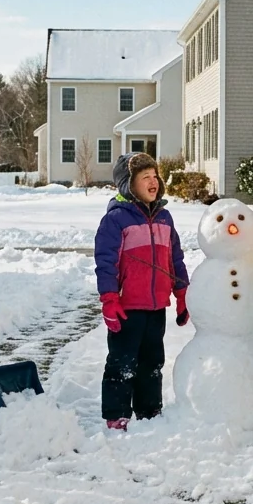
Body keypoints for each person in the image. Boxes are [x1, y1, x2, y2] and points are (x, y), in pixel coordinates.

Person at [94, 152, 190, 431]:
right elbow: (105, 262)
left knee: (152, 362)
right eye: (144, 177)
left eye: (155, 176)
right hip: (127, 307)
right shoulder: (116, 220)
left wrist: (182, 292)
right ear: (128, 184)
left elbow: (175, 258)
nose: (153, 182)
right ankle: (117, 414)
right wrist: (110, 299)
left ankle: (149, 410)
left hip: (156, 306)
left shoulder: (164, 218)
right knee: (122, 363)